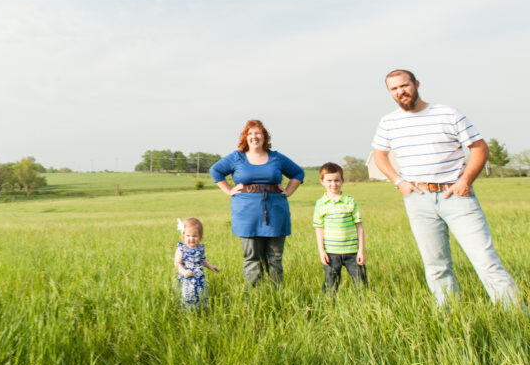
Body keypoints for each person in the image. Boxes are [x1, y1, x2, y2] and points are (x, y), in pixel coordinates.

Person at [372, 69, 519, 306]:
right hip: (418, 199)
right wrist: (399, 182)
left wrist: (465, 181)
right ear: (390, 93)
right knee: (436, 266)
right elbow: (379, 155)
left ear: (416, 84)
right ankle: (450, 317)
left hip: (456, 196)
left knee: (485, 260)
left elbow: (479, 148)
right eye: (394, 89)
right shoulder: (389, 122)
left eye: (404, 86)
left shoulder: (447, 114)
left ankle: (516, 316)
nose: (400, 92)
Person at [210, 120, 304, 287]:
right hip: (247, 215)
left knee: (275, 257)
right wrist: (229, 190)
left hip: (275, 213)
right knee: (252, 257)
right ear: (245, 137)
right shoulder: (237, 157)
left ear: (264, 136)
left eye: (258, 133)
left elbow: (298, 172)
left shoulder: (276, 157)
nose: (254, 137)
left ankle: (276, 293)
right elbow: (215, 170)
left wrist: (288, 191)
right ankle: (254, 294)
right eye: (250, 133)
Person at [313, 162, 367, 293]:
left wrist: (361, 251)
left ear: (342, 181)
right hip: (331, 253)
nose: (333, 184)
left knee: (361, 284)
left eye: (337, 180)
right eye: (329, 181)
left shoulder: (350, 201)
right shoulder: (320, 204)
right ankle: (329, 307)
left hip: (352, 252)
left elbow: (359, 227)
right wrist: (322, 251)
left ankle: (365, 306)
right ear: (322, 181)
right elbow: (319, 229)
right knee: (331, 285)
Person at [174, 217, 220, 310]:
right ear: (183, 236)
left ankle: (200, 310)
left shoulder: (199, 248)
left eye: (195, 236)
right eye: (188, 236)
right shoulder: (182, 249)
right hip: (187, 277)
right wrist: (183, 271)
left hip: (199, 277)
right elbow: (177, 263)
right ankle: (186, 311)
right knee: (187, 295)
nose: (191, 239)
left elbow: (203, 260)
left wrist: (211, 267)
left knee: (200, 294)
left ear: (200, 237)